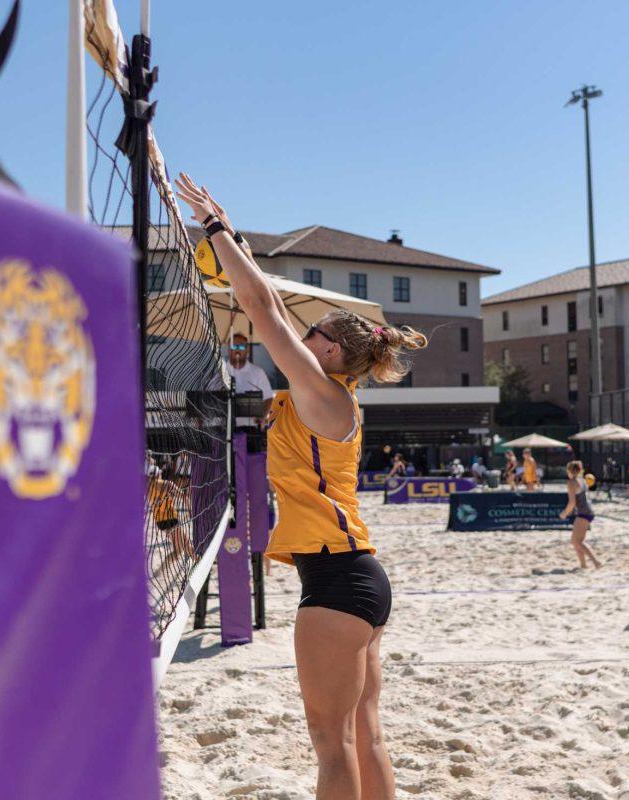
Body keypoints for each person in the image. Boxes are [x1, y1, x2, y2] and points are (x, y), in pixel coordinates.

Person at [176, 174, 427, 799]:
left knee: (333, 745)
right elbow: (269, 308)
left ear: (335, 353)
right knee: (364, 734)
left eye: (314, 335)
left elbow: (263, 309)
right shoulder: (319, 399)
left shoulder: (323, 394)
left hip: (339, 583)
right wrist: (235, 249)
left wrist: (217, 228)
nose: (301, 336)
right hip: (357, 577)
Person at [149, 464, 192, 576]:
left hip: (160, 522)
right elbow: (184, 497)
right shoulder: (167, 484)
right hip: (171, 519)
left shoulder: (148, 488)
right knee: (182, 548)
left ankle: (159, 572)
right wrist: (190, 512)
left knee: (183, 548)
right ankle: (159, 572)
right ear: (159, 474)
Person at [559, 460, 601, 569]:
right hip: (588, 511)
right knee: (577, 541)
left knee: (576, 541)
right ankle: (583, 565)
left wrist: (564, 513)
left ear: (570, 470)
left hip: (583, 512)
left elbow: (572, 502)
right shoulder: (582, 480)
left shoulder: (572, 482)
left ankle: (596, 562)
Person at [226, 332, 274, 420]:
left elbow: (269, 398)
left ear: (247, 350)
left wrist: (262, 418)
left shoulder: (258, 372)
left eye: (241, 346)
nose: (237, 350)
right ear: (228, 349)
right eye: (234, 346)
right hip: (223, 427)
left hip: (249, 428)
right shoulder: (220, 371)